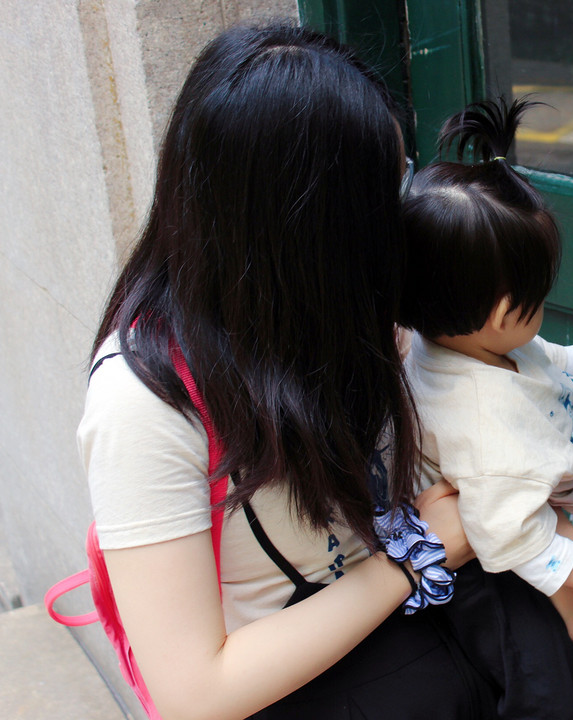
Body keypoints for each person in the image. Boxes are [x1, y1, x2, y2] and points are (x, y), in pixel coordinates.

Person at [78, 23, 530, 720]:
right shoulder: (143, 402)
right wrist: (417, 557)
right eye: (388, 187)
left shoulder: (339, 311)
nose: (403, 210)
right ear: (313, 228)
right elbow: (197, 692)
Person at [399, 96, 573, 719]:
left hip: (528, 531)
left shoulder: (470, 345)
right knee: (543, 687)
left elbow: (552, 364)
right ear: (500, 314)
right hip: (500, 580)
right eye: (538, 297)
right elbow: (507, 535)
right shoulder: (481, 423)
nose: (543, 310)